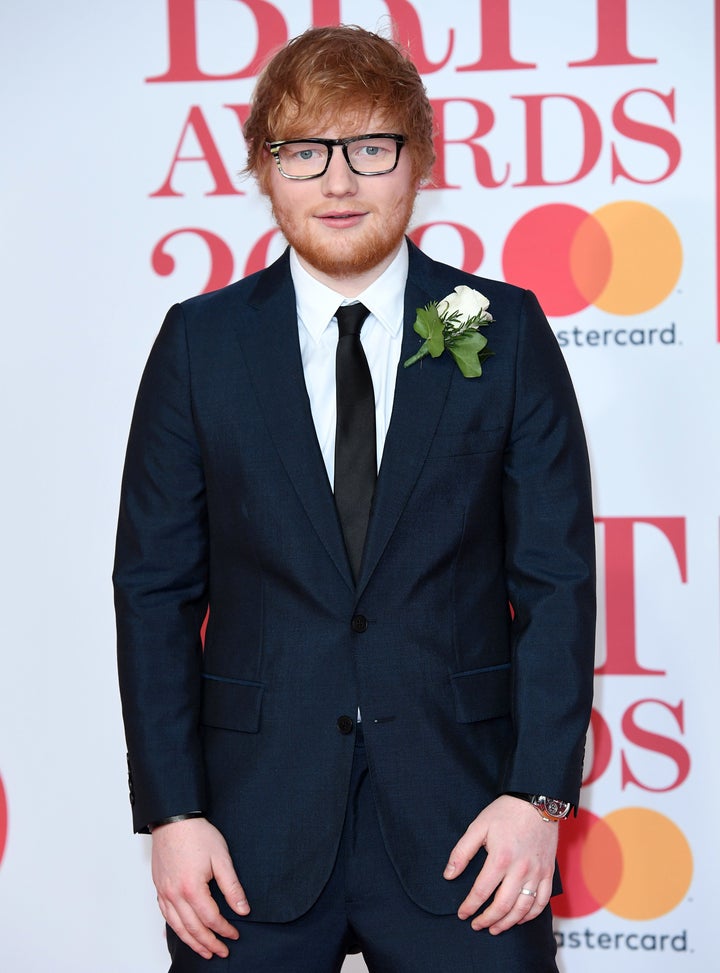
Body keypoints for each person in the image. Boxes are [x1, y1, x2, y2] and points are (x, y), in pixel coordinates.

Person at [113, 23, 595, 973]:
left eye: (371, 148)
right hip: (247, 837)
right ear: (263, 167)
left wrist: (537, 800)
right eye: (305, 151)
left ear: (419, 161)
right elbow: (154, 592)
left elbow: (557, 578)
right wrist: (172, 812)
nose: (339, 182)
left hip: (472, 832)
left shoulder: (503, 330)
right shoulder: (198, 345)